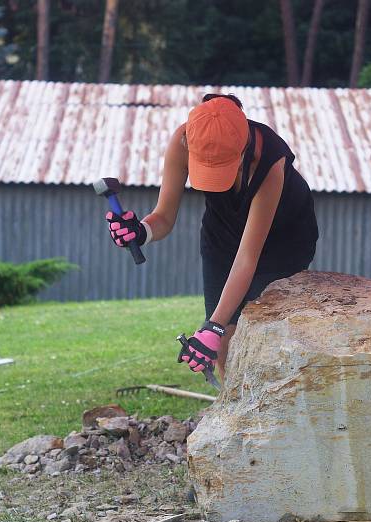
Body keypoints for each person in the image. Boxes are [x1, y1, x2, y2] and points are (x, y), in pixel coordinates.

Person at [106, 94, 318, 382]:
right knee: (224, 339)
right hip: (222, 235)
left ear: (242, 151)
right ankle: (233, 412)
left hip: (284, 239)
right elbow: (164, 217)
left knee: (266, 330)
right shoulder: (183, 141)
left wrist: (212, 327)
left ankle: (275, 412)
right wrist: (141, 232)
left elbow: (247, 259)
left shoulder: (270, 161)